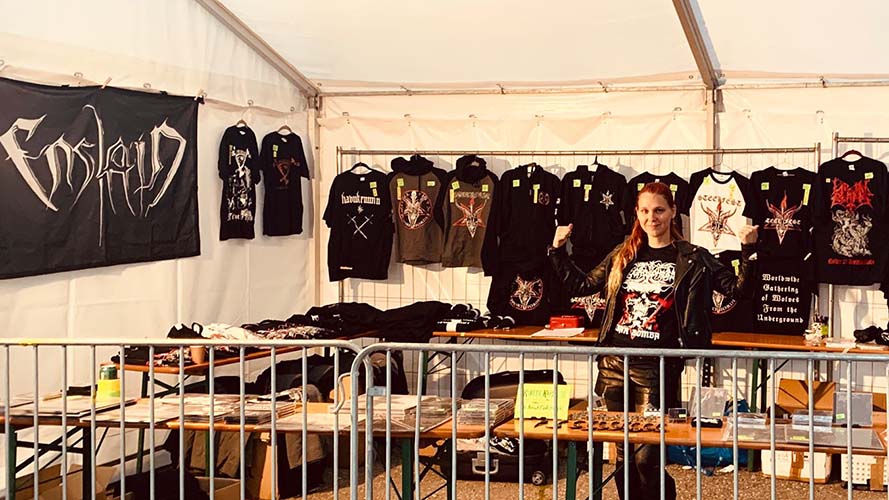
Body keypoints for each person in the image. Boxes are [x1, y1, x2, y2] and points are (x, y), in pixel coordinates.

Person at [547, 181, 757, 500]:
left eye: (659, 210)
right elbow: (582, 285)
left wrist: (749, 251)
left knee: (648, 458)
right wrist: (558, 250)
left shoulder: (693, 257)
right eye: (644, 210)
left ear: (673, 212)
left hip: (657, 368)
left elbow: (737, 290)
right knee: (623, 457)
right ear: (636, 213)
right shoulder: (623, 253)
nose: (651, 217)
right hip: (615, 363)